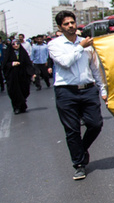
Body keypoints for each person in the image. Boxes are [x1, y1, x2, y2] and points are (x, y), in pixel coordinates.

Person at [48, 10, 107, 181]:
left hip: (88, 90)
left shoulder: (86, 43)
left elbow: (95, 68)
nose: (71, 26)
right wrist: (80, 47)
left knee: (95, 124)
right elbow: (65, 62)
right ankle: (79, 165)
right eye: (66, 24)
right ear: (60, 27)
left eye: (72, 22)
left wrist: (103, 90)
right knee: (72, 130)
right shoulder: (54, 45)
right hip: (66, 92)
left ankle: (81, 150)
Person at [2, 38, 34, 114]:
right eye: (14, 44)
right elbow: (4, 65)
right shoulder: (8, 53)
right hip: (12, 76)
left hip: (23, 75)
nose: (16, 45)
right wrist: (12, 64)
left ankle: (22, 106)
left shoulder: (23, 52)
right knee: (14, 92)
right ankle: (16, 107)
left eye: (18, 44)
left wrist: (32, 73)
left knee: (24, 90)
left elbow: (28, 63)